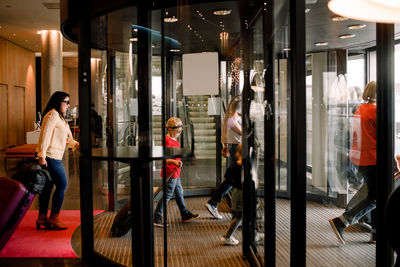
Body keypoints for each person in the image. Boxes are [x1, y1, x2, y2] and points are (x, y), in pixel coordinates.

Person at [329, 81, 377, 244]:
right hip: (374, 159)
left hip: (361, 159)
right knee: (376, 197)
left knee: (375, 195)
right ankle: (342, 221)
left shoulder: (360, 109)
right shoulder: (376, 111)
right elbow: (383, 138)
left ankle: (376, 233)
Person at [36, 91, 79, 230]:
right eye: (66, 102)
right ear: (58, 101)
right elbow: (45, 136)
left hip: (54, 156)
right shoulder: (52, 114)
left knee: (48, 188)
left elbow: (62, 138)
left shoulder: (59, 117)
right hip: (50, 156)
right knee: (62, 185)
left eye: (68, 102)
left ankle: (42, 217)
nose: (68, 105)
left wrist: (75, 144)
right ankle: (54, 218)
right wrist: (41, 156)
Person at [153, 117, 200, 227]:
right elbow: (163, 159)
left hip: (175, 172)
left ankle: (185, 214)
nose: (179, 134)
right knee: (168, 195)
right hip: (170, 172)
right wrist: (174, 162)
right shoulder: (167, 141)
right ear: (171, 130)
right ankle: (157, 216)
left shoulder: (173, 139)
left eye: (180, 132)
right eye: (178, 132)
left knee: (179, 193)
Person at [205, 95, 242, 220]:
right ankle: (214, 203)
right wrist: (247, 134)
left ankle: (215, 203)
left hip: (233, 144)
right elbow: (231, 122)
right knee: (234, 178)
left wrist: (225, 144)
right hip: (238, 144)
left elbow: (226, 122)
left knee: (233, 178)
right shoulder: (241, 100)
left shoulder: (235, 99)